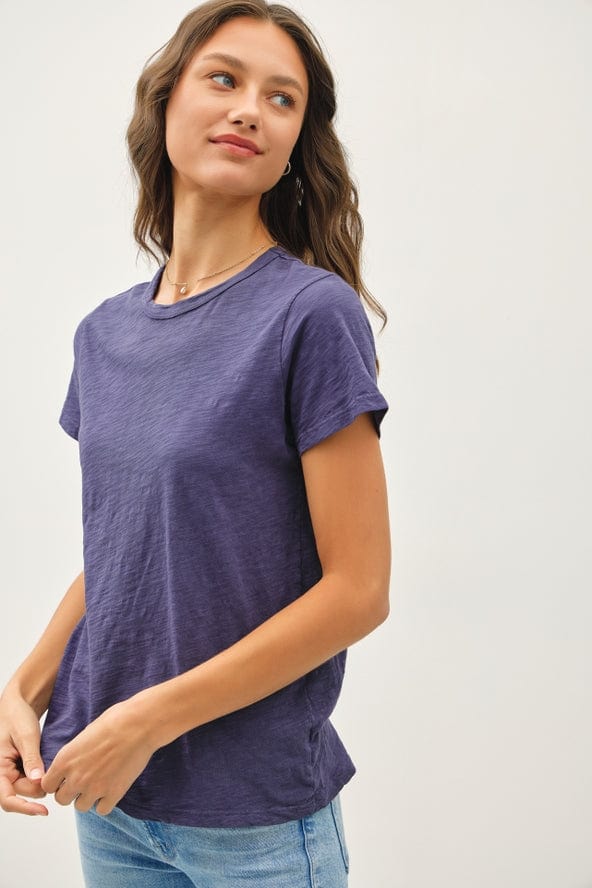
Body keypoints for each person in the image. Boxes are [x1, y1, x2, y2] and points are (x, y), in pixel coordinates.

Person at [0, 1, 391, 884]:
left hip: (254, 822)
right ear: (166, 100)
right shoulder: (103, 334)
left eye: (282, 98)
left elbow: (359, 592)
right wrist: (23, 689)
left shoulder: (309, 315)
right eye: (224, 79)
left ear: (294, 145)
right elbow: (126, 551)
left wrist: (147, 721)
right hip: (111, 805)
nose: (251, 109)